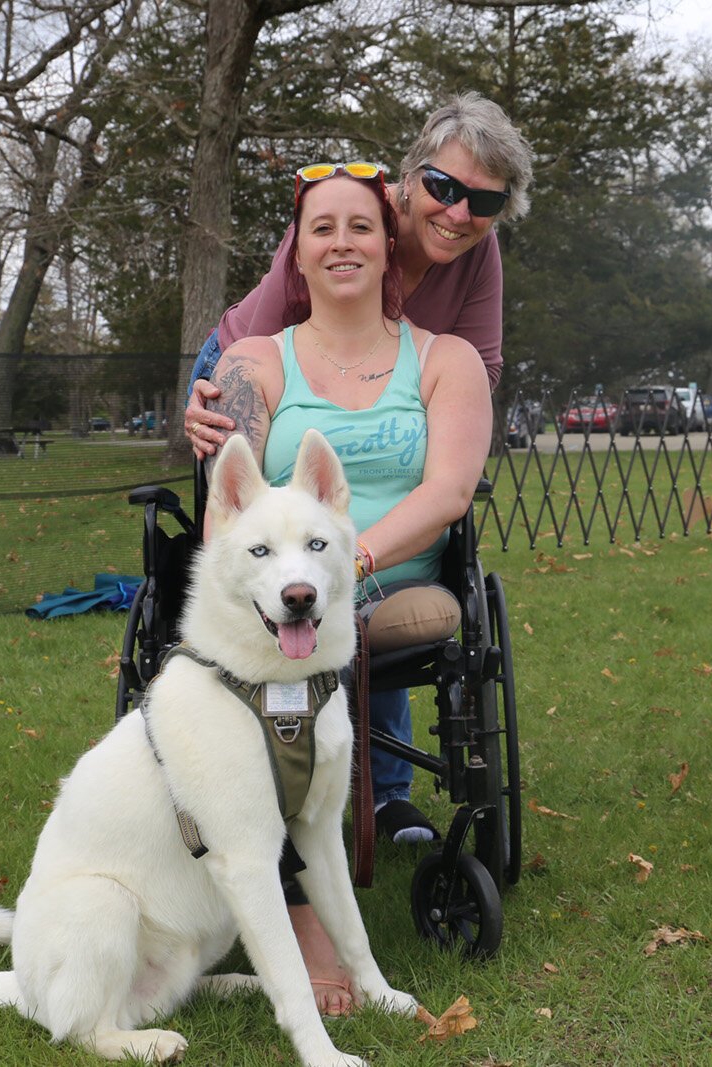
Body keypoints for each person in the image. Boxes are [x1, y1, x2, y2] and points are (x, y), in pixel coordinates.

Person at [208, 161, 491, 1015]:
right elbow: (229, 507)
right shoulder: (254, 362)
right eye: (320, 228)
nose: (341, 243)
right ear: (295, 254)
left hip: (389, 579)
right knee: (264, 658)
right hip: (281, 592)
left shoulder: (448, 361)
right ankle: (304, 916)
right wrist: (291, 577)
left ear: (389, 246)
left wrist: (350, 560)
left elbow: (447, 493)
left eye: (361, 227)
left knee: (321, 630)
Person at [184, 91, 533, 456]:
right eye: (444, 188)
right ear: (410, 178)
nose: (460, 215)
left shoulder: (478, 248)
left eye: (485, 201)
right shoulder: (340, 219)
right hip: (242, 366)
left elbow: (480, 370)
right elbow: (253, 360)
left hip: (371, 397)